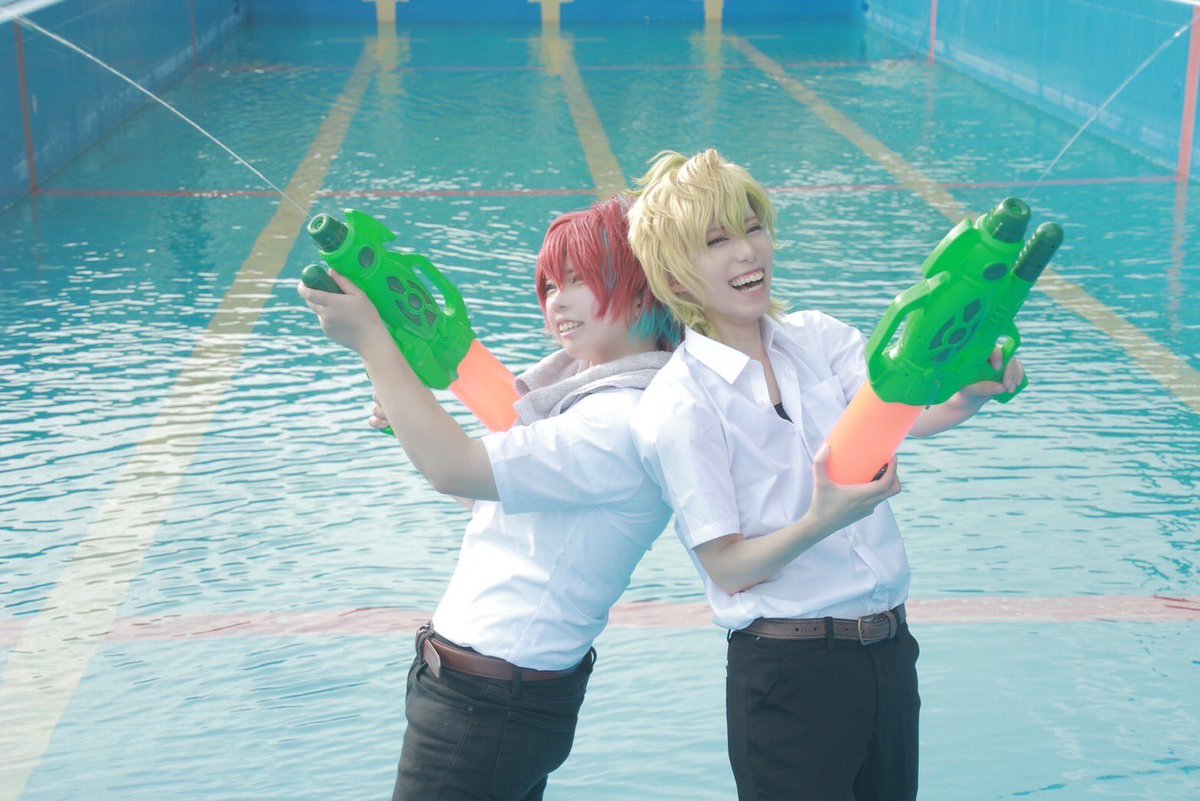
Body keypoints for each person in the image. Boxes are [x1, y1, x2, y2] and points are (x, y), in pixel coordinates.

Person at [626, 149, 1025, 801]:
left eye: (754, 227)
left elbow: (903, 413)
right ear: (675, 277)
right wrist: (820, 521)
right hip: (788, 672)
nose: (747, 251)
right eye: (716, 240)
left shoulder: (819, 337)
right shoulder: (680, 403)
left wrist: (970, 394)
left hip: (888, 651)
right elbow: (727, 567)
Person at [298, 195, 679, 801]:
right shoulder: (597, 401)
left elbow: (456, 470)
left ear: (642, 292)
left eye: (579, 280)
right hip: (491, 696)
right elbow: (492, 499)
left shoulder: (617, 419)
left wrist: (373, 342)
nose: (557, 301)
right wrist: (410, 417)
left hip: (486, 704)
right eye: (550, 285)